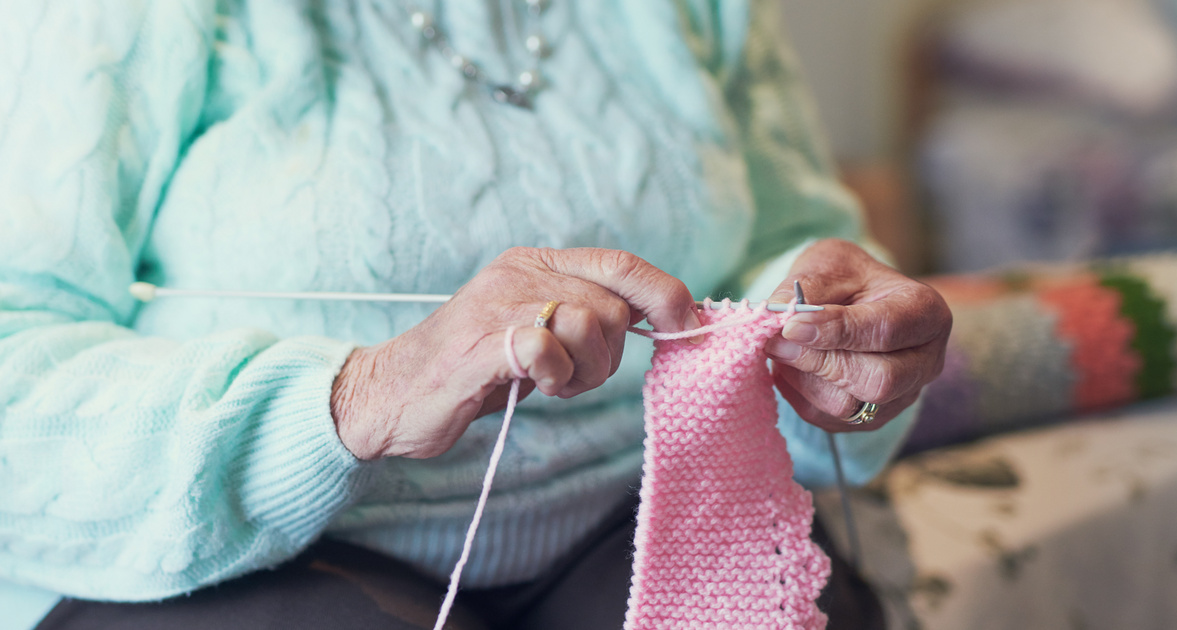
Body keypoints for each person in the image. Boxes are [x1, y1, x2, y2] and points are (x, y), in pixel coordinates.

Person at [0, 0, 951, 628]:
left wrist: (840, 346)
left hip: (633, 512)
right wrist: (362, 394)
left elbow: (793, 250)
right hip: (250, 554)